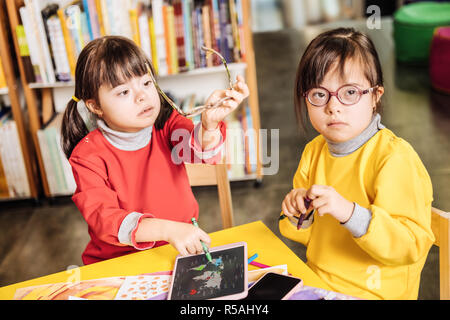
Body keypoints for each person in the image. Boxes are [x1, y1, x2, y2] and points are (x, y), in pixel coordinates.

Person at [61, 36, 249, 265]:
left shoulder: (167, 123)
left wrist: (209, 125)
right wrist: (167, 230)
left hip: (177, 251)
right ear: (95, 106)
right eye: (123, 92)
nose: (142, 96)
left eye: (146, 83)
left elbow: (201, 152)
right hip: (118, 263)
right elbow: (105, 220)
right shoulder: (87, 156)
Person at [279, 28, 434, 300]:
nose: (333, 107)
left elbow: (410, 245)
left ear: (375, 96)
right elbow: (307, 234)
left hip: (374, 293)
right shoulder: (313, 151)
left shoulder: (394, 158)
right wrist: (297, 212)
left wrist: (350, 213)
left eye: (349, 92)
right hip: (319, 284)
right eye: (319, 94)